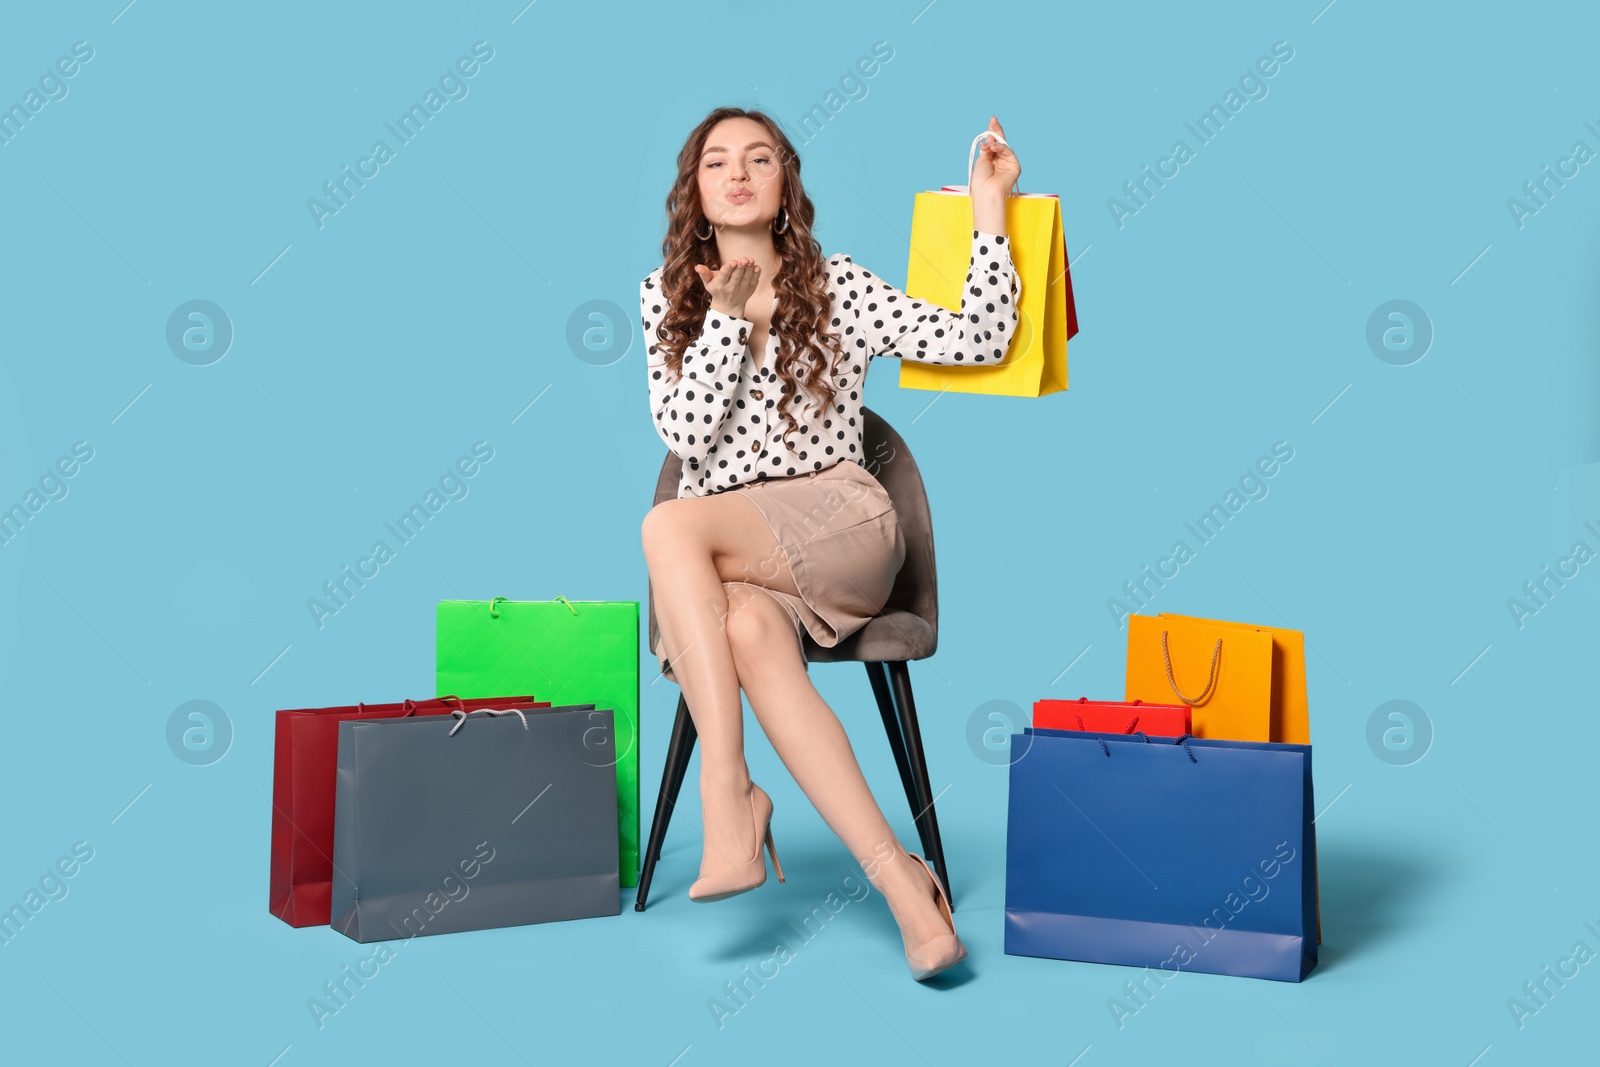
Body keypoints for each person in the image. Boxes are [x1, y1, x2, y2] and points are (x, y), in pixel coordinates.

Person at [639, 106, 1021, 982]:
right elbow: (685, 434)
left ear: (785, 187)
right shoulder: (667, 297)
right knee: (743, 632)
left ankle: (728, 796)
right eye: (716, 162)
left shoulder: (838, 285)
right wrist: (728, 323)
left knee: (667, 524)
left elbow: (981, 337)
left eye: (759, 159)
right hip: (746, 562)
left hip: (845, 527)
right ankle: (904, 888)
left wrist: (990, 209)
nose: (738, 173)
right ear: (694, 192)